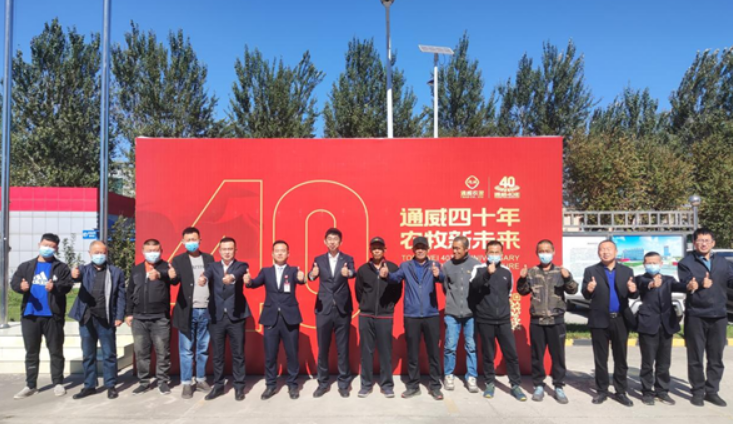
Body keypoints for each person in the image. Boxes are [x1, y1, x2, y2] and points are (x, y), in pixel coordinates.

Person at [381, 236, 445, 400]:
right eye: (417, 247)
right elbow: (395, 278)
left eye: (423, 247)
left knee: (433, 353)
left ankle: (435, 386)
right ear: (413, 250)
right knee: (412, 354)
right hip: (412, 316)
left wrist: (439, 275)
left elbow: (442, 279)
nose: (420, 250)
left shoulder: (434, 265)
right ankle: (413, 386)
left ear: (428, 249)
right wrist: (387, 275)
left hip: (431, 315)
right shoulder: (406, 266)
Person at [10, 233, 73, 399]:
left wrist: (55, 287)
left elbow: (67, 285)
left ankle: (58, 382)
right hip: (30, 315)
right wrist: (21, 287)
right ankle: (30, 385)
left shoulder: (61, 267)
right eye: (45, 245)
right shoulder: (26, 266)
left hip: (53, 316)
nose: (48, 249)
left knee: (56, 350)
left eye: (52, 246)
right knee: (31, 351)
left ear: (56, 248)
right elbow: (14, 283)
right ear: (39, 245)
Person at [516, 239, 578, 404]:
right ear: (537, 253)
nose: (544, 254)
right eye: (541, 251)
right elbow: (522, 291)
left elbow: (573, 290)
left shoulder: (561, 271)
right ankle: (538, 385)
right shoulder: (532, 272)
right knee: (537, 356)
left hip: (556, 321)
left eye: (547, 250)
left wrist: (568, 278)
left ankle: (558, 386)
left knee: (558, 356)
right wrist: (522, 279)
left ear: (553, 252)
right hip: (537, 321)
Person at [677, 228, 733, 407]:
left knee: (716, 357)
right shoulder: (686, 263)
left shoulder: (722, 262)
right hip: (696, 315)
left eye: (707, 240)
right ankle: (697, 391)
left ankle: (712, 391)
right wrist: (698, 284)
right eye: (700, 240)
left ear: (713, 243)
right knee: (695, 356)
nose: (703, 243)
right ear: (694, 243)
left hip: (719, 315)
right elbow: (686, 283)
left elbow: (730, 280)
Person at [245, 240, 305, 400]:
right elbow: (255, 283)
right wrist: (248, 281)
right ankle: (270, 385)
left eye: (283, 250)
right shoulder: (266, 271)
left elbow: (301, 280)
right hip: (271, 318)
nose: (279, 253)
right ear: (272, 253)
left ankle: (293, 385)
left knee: (292, 354)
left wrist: (302, 278)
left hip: (290, 317)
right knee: (270, 355)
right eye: (277, 250)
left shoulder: (293, 270)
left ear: (288, 254)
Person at [582, 239, 638, 406]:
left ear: (616, 252)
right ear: (598, 252)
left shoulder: (627, 271)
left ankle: (621, 391)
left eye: (608, 249)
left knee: (621, 358)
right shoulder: (591, 270)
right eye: (602, 249)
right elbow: (585, 294)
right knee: (601, 358)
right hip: (599, 319)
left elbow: (633, 294)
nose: (605, 252)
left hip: (620, 319)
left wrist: (633, 290)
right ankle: (602, 391)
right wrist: (589, 289)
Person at [68, 241, 126, 400]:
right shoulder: (84, 270)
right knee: (88, 354)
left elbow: (121, 296)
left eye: (103, 252)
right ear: (90, 253)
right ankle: (89, 385)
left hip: (106, 318)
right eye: (96, 252)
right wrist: (73, 275)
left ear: (107, 253)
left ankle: (110, 385)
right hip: (86, 317)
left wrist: (119, 316)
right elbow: (73, 278)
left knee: (109, 353)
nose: (99, 255)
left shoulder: (116, 272)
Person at [470, 240, 526, 402]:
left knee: (511, 354)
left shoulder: (507, 272)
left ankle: (515, 385)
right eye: (491, 252)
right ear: (486, 253)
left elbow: (508, 293)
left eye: (497, 252)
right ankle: (489, 383)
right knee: (488, 354)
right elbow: (473, 287)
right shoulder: (478, 269)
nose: (494, 255)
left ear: (502, 253)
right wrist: (487, 274)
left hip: (503, 320)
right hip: (485, 319)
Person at [201, 237, 251, 401]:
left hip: (236, 316)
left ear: (235, 250)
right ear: (219, 251)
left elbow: (238, 274)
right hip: (216, 317)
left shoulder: (241, 265)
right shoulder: (212, 266)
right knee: (217, 354)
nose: (227, 252)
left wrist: (232, 278)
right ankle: (218, 386)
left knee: (238, 354)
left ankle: (239, 387)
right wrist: (203, 279)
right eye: (224, 249)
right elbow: (207, 275)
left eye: (230, 249)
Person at [635, 251, 688, 406]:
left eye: (655, 262)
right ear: (644, 264)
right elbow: (641, 286)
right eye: (649, 263)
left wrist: (689, 286)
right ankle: (647, 391)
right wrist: (651, 284)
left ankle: (662, 391)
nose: (652, 265)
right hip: (648, 324)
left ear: (661, 264)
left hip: (666, 325)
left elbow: (679, 286)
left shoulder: (668, 280)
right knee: (647, 362)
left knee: (664, 362)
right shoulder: (640, 279)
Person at [308, 228, 356, 398]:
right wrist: (312, 275)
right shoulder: (318, 259)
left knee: (343, 348)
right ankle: (322, 383)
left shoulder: (347, 259)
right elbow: (311, 275)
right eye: (329, 239)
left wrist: (348, 273)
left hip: (342, 308)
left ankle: (343, 384)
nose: (332, 241)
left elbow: (353, 272)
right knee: (323, 348)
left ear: (340, 242)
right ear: (325, 241)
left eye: (335, 239)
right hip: (324, 308)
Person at [169, 227, 215, 399]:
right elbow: (175, 281)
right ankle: (187, 383)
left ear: (200, 240)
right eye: (188, 240)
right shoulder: (178, 260)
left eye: (194, 239)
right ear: (183, 242)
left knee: (203, 348)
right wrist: (172, 276)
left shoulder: (209, 258)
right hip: (187, 311)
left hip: (206, 310)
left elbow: (214, 279)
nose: (191, 242)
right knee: (186, 349)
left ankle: (201, 379)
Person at [354, 237, 401, 398]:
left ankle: (386, 385)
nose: (377, 250)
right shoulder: (363, 269)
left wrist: (389, 305)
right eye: (374, 248)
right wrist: (365, 304)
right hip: (366, 315)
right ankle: (366, 385)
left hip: (384, 316)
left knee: (385, 352)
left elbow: (397, 291)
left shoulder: (392, 268)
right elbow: (359, 292)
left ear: (384, 250)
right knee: (366, 351)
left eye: (380, 248)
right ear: (370, 250)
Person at [125, 239, 173, 395]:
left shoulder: (166, 267)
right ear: (143, 251)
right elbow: (130, 292)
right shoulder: (137, 269)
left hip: (160, 318)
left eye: (155, 250)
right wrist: (128, 313)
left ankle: (162, 382)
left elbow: (174, 278)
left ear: (161, 251)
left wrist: (161, 274)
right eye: (149, 250)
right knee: (141, 353)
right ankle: (143, 382)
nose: (152, 253)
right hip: (139, 318)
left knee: (162, 352)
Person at [441, 236, 480, 393]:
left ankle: (471, 377)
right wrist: (453, 302)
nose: (455, 251)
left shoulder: (476, 265)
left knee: (471, 346)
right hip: (452, 313)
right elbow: (446, 288)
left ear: (466, 249)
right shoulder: (447, 266)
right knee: (450, 346)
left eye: (458, 248)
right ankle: (448, 375)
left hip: (470, 314)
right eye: (453, 248)